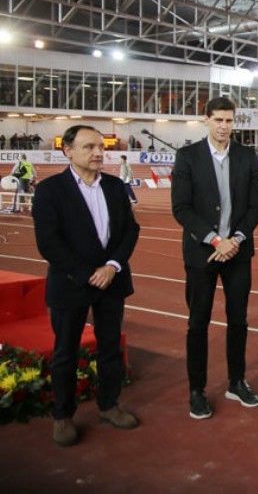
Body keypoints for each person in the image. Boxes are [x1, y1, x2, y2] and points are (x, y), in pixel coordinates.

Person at [32, 125, 140, 446]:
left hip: (112, 281)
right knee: (65, 352)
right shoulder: (50, 190)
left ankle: (109, 405)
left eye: (101, 147)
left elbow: (130, 231)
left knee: (110, 348)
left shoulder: (115, 186)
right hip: (70, 284)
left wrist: (112, 266)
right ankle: (63, 416)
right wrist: (86, 273)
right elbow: (49, 243)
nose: (98, 153)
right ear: (67, 150)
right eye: (89, 147)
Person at [171, 97, 258, 419]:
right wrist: (214, 240)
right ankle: (196, 389)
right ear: (206, 120)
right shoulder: (188, 157)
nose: (224, 126)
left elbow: (256, 205)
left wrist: (235, 239)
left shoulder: (247, 156)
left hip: (237, 252)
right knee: (198, 322)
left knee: (238, 320)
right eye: (218, 120)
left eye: (229, 120)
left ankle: (236, 381)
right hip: (202, 253)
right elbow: (181, 207)